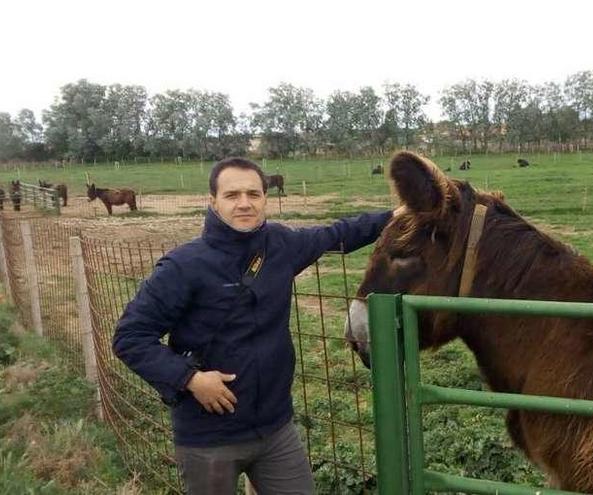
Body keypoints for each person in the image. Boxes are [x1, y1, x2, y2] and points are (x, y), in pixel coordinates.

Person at [113, 157, 394, 494]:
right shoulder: (184, 266)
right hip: (209, 438)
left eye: (253, 194)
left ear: (265, 198)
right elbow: (130, 337)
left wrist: (398, 216)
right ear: (213, 202)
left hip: (275, 429)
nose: (244, 203)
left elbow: (338, 233)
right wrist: (189, 378)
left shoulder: (280, 245)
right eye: (232, 195)